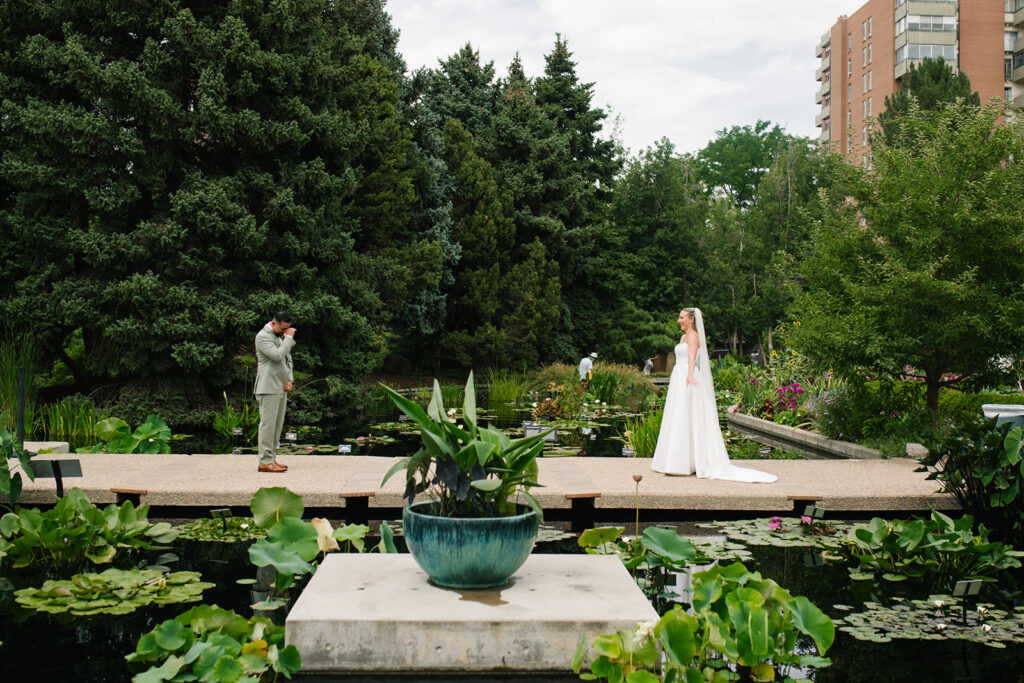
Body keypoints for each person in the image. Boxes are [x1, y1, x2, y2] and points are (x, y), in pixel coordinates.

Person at [651, 308, 776, 483]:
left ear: (691, 320)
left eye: (682, 317)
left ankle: (687, 462)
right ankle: (676, 460)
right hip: (679, 376)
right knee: (678, 415)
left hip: (687, 376)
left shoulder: (694, 336)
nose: (679, 320)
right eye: (679, 317)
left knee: (687, 415)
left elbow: (692, 358)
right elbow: (680, 359)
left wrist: (690, 376)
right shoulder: (683, 337)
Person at [254, 311, 296, 473]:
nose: (285, 331)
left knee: (277, 427)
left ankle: (271, 458)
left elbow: (287, 359)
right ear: (273, 323)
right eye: (282, 328)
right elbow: (277, 356)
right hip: (268, 387)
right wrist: (289, 338)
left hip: (280, 387)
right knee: (268, 426)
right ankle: (264, 461)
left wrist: (289, 380)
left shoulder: (279, 337)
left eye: (287, 329)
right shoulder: (262, 337)